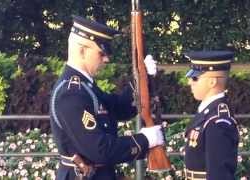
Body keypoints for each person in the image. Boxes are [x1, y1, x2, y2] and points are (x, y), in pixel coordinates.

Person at [49, 15, 164, 180]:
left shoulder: (85, 87)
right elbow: (100, 150)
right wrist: (144, 140)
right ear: (82, 50)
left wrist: (143, 79)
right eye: (101, 53)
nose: (106, 59)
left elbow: (119, 108)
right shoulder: (71, 93)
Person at [183, 51, 239, 180]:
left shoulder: (218, 122)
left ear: (212, 82)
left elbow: (219, 174)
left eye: (195, 78)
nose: (190, 83)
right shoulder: (208, 113)